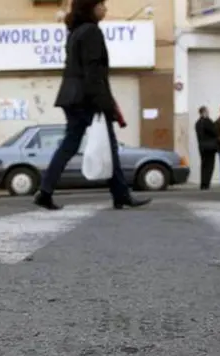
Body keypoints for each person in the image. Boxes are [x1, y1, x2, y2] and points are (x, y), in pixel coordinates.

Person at [33, 0, 151, 211]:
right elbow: (94, 73)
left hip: (71, 96)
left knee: (71, 144)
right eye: (101, 5)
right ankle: (121, 194)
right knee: (108, 145)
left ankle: (46, 190)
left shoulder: (75, 32)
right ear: (90, 7)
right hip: (88, 98)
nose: (105, 9)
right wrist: (106, 105)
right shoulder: (91, 32)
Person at [194, 106, 218, 190]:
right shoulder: (207, 121)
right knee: (210, 166)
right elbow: (214, 131)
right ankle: (206, 184)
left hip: (202, 147)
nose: (208, 112)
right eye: (207, 111)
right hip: (210, 147)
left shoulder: (197, 123)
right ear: (204, 112)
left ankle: (203, 184)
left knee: (203, 165)